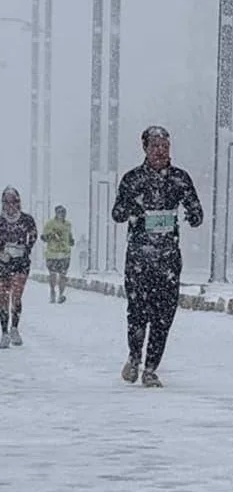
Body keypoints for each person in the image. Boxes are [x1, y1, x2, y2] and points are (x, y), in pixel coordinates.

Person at [112, 125, 202, 388]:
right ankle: (134, 356)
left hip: (168, 258)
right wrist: (133, 206)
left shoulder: (179, 179)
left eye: (165, 146)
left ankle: (151, 368)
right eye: (155, 146)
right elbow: (117, 214)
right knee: (138, 312)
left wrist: (193, 214)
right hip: (139, 257)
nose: (161, 151)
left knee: (164, 315)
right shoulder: (132, 180)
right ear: (145, 149)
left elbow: (196, 211)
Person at [0, 186, 38, 349]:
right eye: (6, 202)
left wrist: (25, 247)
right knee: (3, 299)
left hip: (20, 263)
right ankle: (4, 333)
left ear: (18, 203)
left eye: (13, 202)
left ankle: (14, 328)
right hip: (2, 263)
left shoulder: (26, 220)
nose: (10, 206)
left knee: (16, 296)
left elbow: (34, 235)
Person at [41, 205, 75, 303]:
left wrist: (71, 241)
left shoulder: (68, 224)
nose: (62, 214)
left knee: (63, 275)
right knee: (53, 274)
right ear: (56, 213)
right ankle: (52, 291)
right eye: (60, 212)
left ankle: (61, 294)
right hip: (52, 253)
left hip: (65, 253)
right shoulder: (50, 224)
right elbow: (44, 237)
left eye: (63, 212)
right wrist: (51, 236)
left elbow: (69, 236)